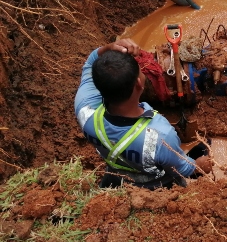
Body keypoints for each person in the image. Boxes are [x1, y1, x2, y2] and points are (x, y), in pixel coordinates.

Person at [74, 38, 212, 189]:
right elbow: (183, 169)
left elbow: (90, 62)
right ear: (139, 83)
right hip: (156, 186)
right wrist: (200, 165)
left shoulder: (84, 109)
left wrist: (108, 48)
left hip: (117, 178)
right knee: (201, 151)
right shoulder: (160, 136)